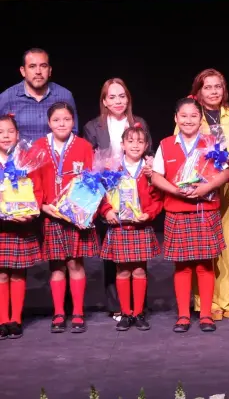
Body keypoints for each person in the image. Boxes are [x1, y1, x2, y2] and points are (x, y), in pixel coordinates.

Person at [150, 97, 229, 333]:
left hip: (205, 210)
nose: (188, 120)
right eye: (183, 116)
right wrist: (176, 191)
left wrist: (206, 188)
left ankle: (206, 314)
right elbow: (155, 176)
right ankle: (183, 315)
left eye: (194, 116)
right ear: (176, 118)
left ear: (201, 119)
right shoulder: (166, 144)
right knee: (182, 266)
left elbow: (225, 173)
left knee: (206, 265)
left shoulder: (213, 142)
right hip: (177, 210)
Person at [83, 78, 152, 321]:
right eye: (111, 97)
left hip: (136, 194)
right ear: (104, 101)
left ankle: (139, 307)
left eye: (121, 96)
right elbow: (91, 162)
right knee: (113, 255)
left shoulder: (139, 122)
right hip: (108, 194)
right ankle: (117, 306)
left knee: (137, 258)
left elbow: (149, 153)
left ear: (128, 98)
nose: (117, 101)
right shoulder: (94, 126)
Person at [183, 69, 229, 321]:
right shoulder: (191, 113)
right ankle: (204, 301)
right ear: (198, 91)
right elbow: (183, 150)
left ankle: (226, 299)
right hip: (202, 186)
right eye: (208, 87)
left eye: (218, 86)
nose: (214, 91)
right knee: (205, 244)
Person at [34, 102, 96, 334]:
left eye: (67, 119)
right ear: (49, 123)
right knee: (57, 266)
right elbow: (33, 178)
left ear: (73, 121)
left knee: (75, 263)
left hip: (76, 217)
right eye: (57, 120)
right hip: (51, 214)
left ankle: (78, 311)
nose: (62, 124)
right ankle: (59, 312)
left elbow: (92, 181)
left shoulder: (83, 146)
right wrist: (42, 205)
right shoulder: (39, 147)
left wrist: (84, 210)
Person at [98, 124, 163, 332]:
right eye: (131, 141)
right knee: (122, 270)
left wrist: (149, 214)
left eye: (140, 141)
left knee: (139, 270)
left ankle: (138, 312)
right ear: (123, 144)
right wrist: (107, 210)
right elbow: (101, 193)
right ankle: (125, 312)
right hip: (119, 227)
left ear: (146, 146)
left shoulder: (149, 171)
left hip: (140, 227)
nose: (135, 145)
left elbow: (157, 198)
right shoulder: (112, 169)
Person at [0, 115, 42, 340]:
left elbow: (38, 190)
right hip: (0, 227)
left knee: (17, 273)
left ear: (17, 135)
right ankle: (1, 319)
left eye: (10, 131)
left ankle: (15, 319)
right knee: (1, 275)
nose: (5, 136)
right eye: (0, 132)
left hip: (22, 225)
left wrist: (30, 212)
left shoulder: (26, 161)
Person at [0, 48, 78, 141]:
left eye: (43, 66)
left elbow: (74, 134)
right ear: (23, 71)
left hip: (57, 155)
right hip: (19, 155)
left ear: (49, 70)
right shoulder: (7, 97)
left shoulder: (64, 96)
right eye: (32, 66)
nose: (38, 71)